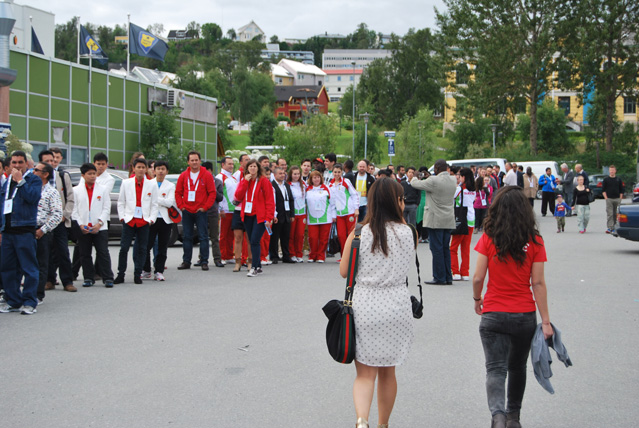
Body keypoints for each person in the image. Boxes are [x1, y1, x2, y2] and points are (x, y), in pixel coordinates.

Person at [472, 186, 553, 428]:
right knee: (517, 367)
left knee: (495, 369)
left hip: (493, 313)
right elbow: (537, 282)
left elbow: (477, 277)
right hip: (523, 315)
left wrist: (478, 300)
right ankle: (513, 417)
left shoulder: (488, 237)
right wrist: (546, 321)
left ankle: (497, 416)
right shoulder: (535, 241)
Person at [339, 178, 415, 428]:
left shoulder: (360, 232)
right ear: (398, 202)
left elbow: (344, 271)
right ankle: (383, 424)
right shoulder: (409, 233)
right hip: (397, 305)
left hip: (365, 306)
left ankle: (362, 422)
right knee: (388, 373)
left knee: (364, 374)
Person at [0, 151, 42, 315]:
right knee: (8, 268)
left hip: (24, 230)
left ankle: (30, 301)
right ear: (9, 165)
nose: (17, 166)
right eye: (14, 163)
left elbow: (32, 198)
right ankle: (13, 300)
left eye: (20, 162)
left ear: (26, 164)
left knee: (29, 268)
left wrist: (21, 181)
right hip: (8, 231)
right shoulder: (6, 182)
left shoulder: (33, 180)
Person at [411, 159, 457, 285]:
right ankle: (448, 277)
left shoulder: (433, 181)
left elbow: (415, 184)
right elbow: (437, 182)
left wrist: (415, 177)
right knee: (445, 249)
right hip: (448, 218)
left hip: (435, 219)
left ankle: (439, 277)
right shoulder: (453, 179)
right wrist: (429, 177)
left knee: (436, 248)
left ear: (436, 168)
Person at [115, 158, 159, 284]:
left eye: (143, 167)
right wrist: (122, 217)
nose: (140, 169)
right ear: (134, 168)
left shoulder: (152, 184)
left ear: (146, 169)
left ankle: (137, 274)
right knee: (124, 248)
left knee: (142, 249)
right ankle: (121, 274)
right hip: (129, 220)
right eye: (138, 167)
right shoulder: (126, 183)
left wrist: (151, 219)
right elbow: (121, 201)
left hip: (144, 221)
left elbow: (154, 204)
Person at [72, 163, 114, 288]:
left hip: (99, 227)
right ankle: (88, 277)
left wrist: (99, 223)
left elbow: (107, 208)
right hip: (84, 227)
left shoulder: (102, 189)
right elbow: (74, 210)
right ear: (83, 175)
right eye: (89, 174)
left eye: (94, 174)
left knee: (103, 252)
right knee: (85, 254)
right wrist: (80, 225)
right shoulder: (76, 191)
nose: (92, 176)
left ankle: (108, 277)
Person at [175, 151, 216, 271]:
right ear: (188, 162)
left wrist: (205, 207)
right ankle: (186, 261)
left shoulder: (206, 175)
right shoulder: (183, 175)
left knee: (203, 236)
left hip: (200, 211)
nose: (194, 162)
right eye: (192, 160)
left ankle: (204, 261)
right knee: (187, 237)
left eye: (196, 160)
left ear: (200, 161)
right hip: (187, 210)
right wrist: (181, 206)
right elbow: (178, 193)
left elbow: (212, 193)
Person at [43, 148, 76, 293]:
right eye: (47, 161)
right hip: (43, 223)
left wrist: (65, 215)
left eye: (52, 160)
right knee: (46, 252)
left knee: (63, 251)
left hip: (60, 221)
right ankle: (49, 280)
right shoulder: (35, 178)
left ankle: (67, 281)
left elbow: (70, 198)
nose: (51, 163)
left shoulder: (62, 176)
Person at [234, 160, 275, 277]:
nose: (252, 168)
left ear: (258, 168)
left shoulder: (264, 181)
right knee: (252, 241)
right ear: (247, 169)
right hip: (247, 214)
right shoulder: (244, 181)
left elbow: (270, 201)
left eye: (254, 166)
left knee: (254, 241)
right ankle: (258, 266)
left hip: (260, 216)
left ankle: (255, 266)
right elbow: (238, 196)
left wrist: (269, 217)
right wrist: (244, 182)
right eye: (250, 166)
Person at [34, 162, 62, 304]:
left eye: (36, 170)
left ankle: (38, 294)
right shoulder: (29, 189)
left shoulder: (52, 192)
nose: (33, 172)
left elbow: (57, 215)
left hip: (42, 232)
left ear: (45, 174)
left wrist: (42, 230)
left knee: (41, 264)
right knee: (26, 264)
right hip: (26, 230)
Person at [142, 160, 175, 281]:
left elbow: (170, 202)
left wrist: (155, 199)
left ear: (167, 171)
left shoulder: (170, 186)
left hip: (165, 220)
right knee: (146, 245)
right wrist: (161, 200)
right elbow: (146, 201)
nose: (160, 171)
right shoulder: (148, 184)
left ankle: (159, 271)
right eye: (158, 169)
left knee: (162, 246)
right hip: (151, 219)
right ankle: (146, 270)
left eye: (163, 169)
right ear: (154, 171)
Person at [196, 161, 225, 268]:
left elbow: (220, 197)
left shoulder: (217, 182)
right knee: (202, 236)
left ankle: (217, 259)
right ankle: (202, 258)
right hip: (202, 211)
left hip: (213, 212)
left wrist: (211, 186)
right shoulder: (199, 181)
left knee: (214, 236)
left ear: (211, 171)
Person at [328, 163, 359, 258]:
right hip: (339, 214)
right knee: (341, 236)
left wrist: (356, 209)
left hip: (349, 212)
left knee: (351, 235)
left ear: (342, 172)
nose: (337, 174)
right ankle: (343, 256)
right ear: (332, 172)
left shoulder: (346, 181)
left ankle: (352, 255)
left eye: (339, 172)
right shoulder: (330, 185)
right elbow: (331, 202)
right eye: (335, 172)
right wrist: (333, 215)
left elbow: (354, 195)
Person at [451, 167, 477, 281]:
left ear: (463, 177)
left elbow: (452, 200)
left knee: (453, 248)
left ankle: (455, 271)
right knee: (465, 248)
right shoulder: (474, 189)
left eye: (459, 176)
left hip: (460, 220)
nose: (458, 177)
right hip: (471, 219)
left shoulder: (459, 189)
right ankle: (465, 272)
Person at [305, 171, 334, 263]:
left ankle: (321, 255)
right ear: (311, 179)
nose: (316, 179)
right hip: (312, 218)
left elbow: (332, 203)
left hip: (325, 218)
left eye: (318, 177)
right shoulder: (307, 189)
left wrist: (333, 215)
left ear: (320, 178)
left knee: (323, 239)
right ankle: (312, 255)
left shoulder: (326, 188)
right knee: (312, 238)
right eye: (314, 178)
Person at [270, 166, 295, 264]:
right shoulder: (272, 185)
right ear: (275, 174)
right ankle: (274, 256)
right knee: (275, 237)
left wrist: (292, 214)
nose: (282, 175)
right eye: (280, 173)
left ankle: (286, 255)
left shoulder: (287, 185)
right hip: (277, 214)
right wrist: (273, 214)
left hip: (286, 214)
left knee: (286, 236)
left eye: (283, 173)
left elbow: (291, 200)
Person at [217, 156, 238, 264]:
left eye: (232, 164)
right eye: (229, 164)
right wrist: (220, 209)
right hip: (225, 210)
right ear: (223, 165)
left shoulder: (233, 178)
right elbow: (219, 195)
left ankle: (229, 255)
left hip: (234, 210)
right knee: (223, 234)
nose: (231, 166)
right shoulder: (220, 177)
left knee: (231, 234)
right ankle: (222, 256)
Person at [288, 166, 307, 263]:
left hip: (302, 213)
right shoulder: (288, 185)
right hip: (293, 213)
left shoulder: (303, 184)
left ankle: (299, 253)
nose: (296, 176)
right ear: (291, 174)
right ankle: (292, 253)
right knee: (291, 234)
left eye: (298, 174)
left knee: (300, 235)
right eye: (294, 174)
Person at [602, 165, 624, 234]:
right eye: (610, 170)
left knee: (616, 214)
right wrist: (606, 198)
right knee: (610, 214)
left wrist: (620, 199)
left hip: (617, 199)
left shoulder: (618, 179)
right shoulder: (606, 180)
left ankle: (615, 227)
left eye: (613, 170)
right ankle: (610, 227)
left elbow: (621, 190)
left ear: (615, 171)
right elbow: (603, 190)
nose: (611, 172)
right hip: (609, 199)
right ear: (609, 171)